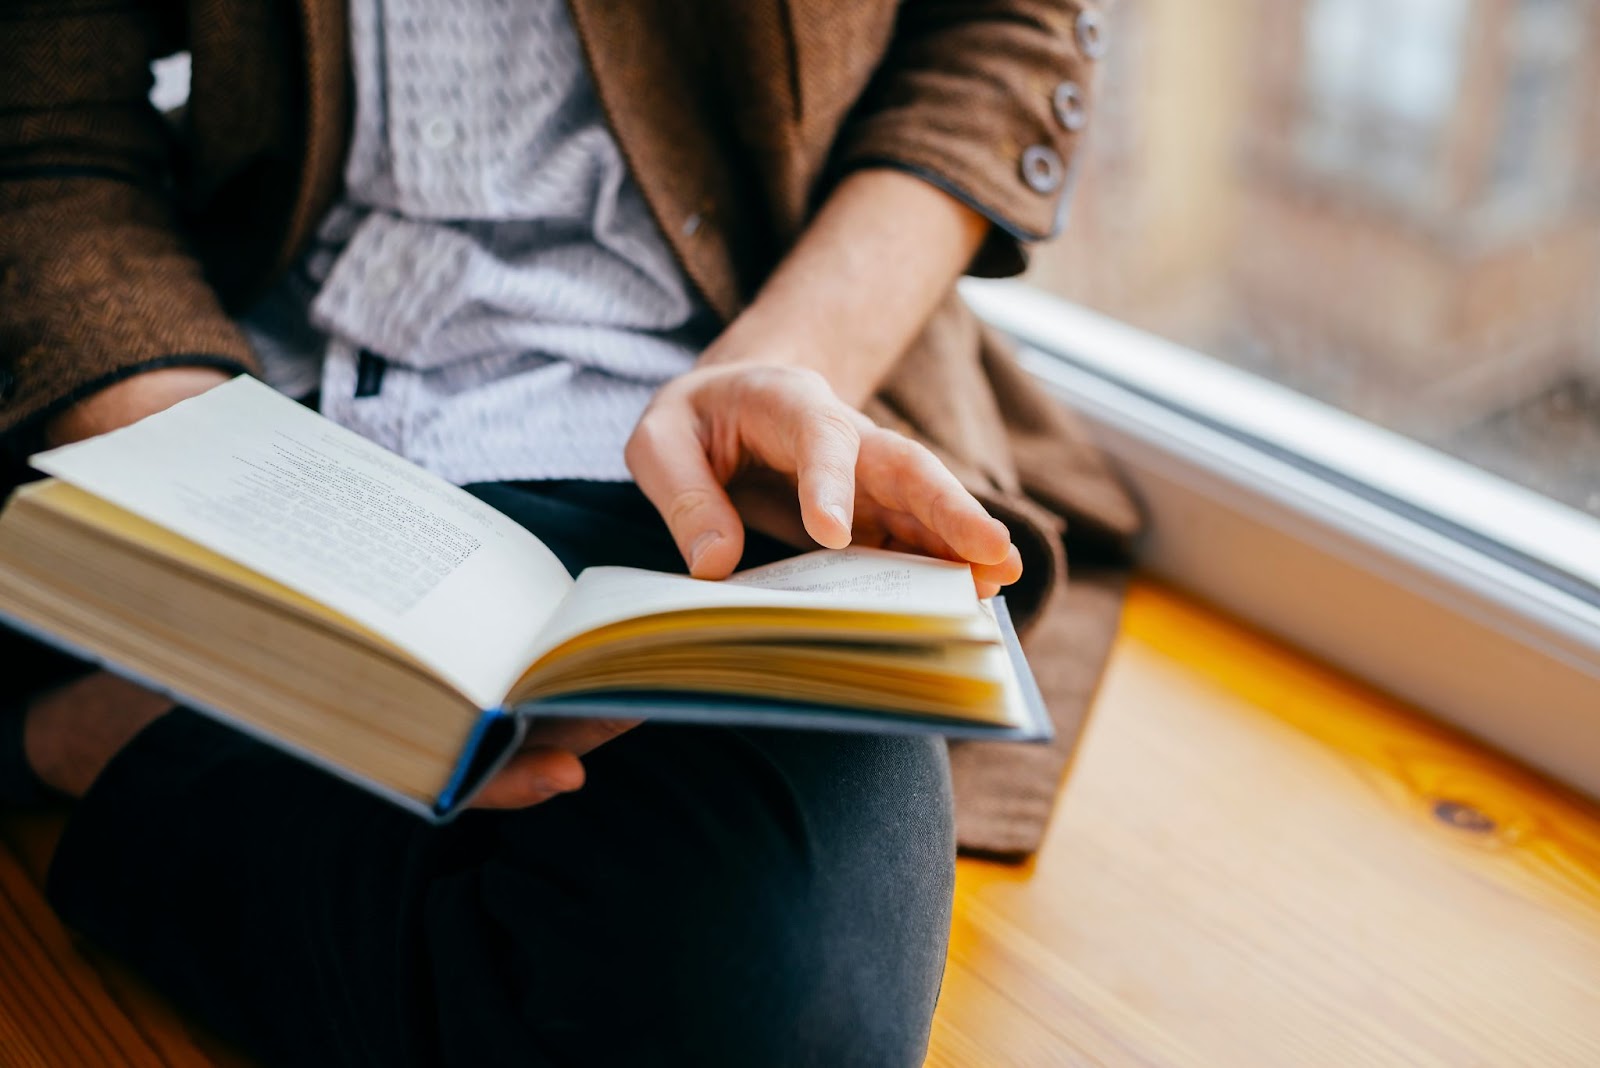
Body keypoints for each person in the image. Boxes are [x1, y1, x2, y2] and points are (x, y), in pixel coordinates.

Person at [0, 1, 1126, 1064]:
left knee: (774, 995)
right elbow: (44, 120)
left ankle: (120, 731)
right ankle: (176, 719)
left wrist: (783, 363)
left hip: (713, 421)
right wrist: (225, 510)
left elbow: (999, 28)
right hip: (236, 383)